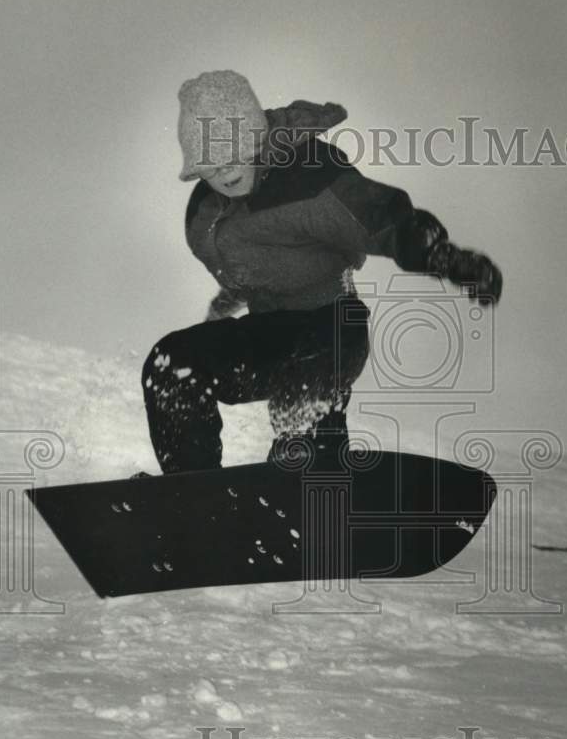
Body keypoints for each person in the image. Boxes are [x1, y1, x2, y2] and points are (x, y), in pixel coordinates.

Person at [142, 70, 501, 474]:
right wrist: (228, 300)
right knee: (173, 361)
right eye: (210, 164)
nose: (224, 173)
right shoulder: (206, 216)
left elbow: (379, 218)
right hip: (270, 332)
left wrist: (445, 258)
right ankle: (191, 492)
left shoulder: (310, 179)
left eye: (233, 153)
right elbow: (255, 269)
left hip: (330, 326)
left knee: (303, 402)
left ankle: (313, 474)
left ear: (257, 138)